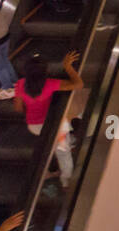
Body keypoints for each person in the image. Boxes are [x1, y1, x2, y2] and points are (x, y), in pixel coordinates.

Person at [14, 51, 83, 188]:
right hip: (54, 125)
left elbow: (18, 108)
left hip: (33, 126)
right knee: (63, 152)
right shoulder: (50, 84)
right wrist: (67, 66)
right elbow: (78, 84)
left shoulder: (20, 84)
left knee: (58, 142)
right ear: (45, 71)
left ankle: (67, 142)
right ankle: (66, 181)